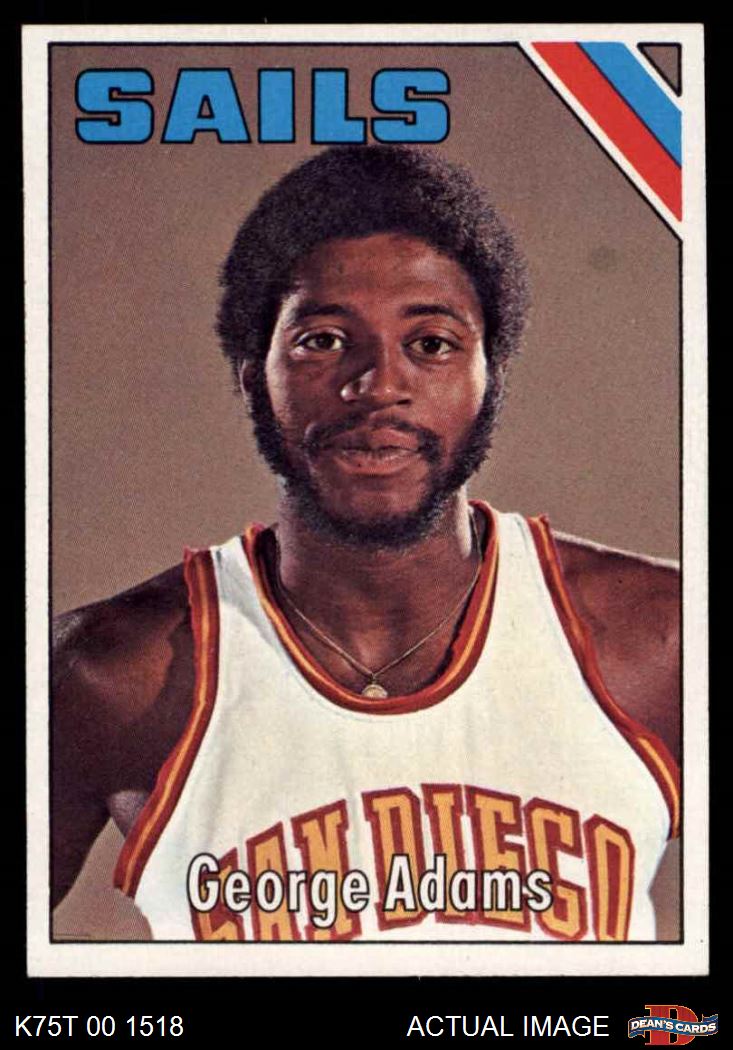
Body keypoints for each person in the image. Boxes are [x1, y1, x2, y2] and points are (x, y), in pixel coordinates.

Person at [52, 145, 680, 943]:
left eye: (431, 344)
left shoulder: (662, 642)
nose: (378, 385)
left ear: (491, 374)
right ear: (251, 374)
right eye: (322, 340)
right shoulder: (110, 675)